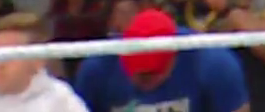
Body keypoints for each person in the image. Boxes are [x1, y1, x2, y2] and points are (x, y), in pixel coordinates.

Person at [71, 8, 248, 112]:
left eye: (150, 74)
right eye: (135, 71)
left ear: (173, 57)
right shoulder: (98, 68)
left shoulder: (214, 63)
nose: (141, 81)